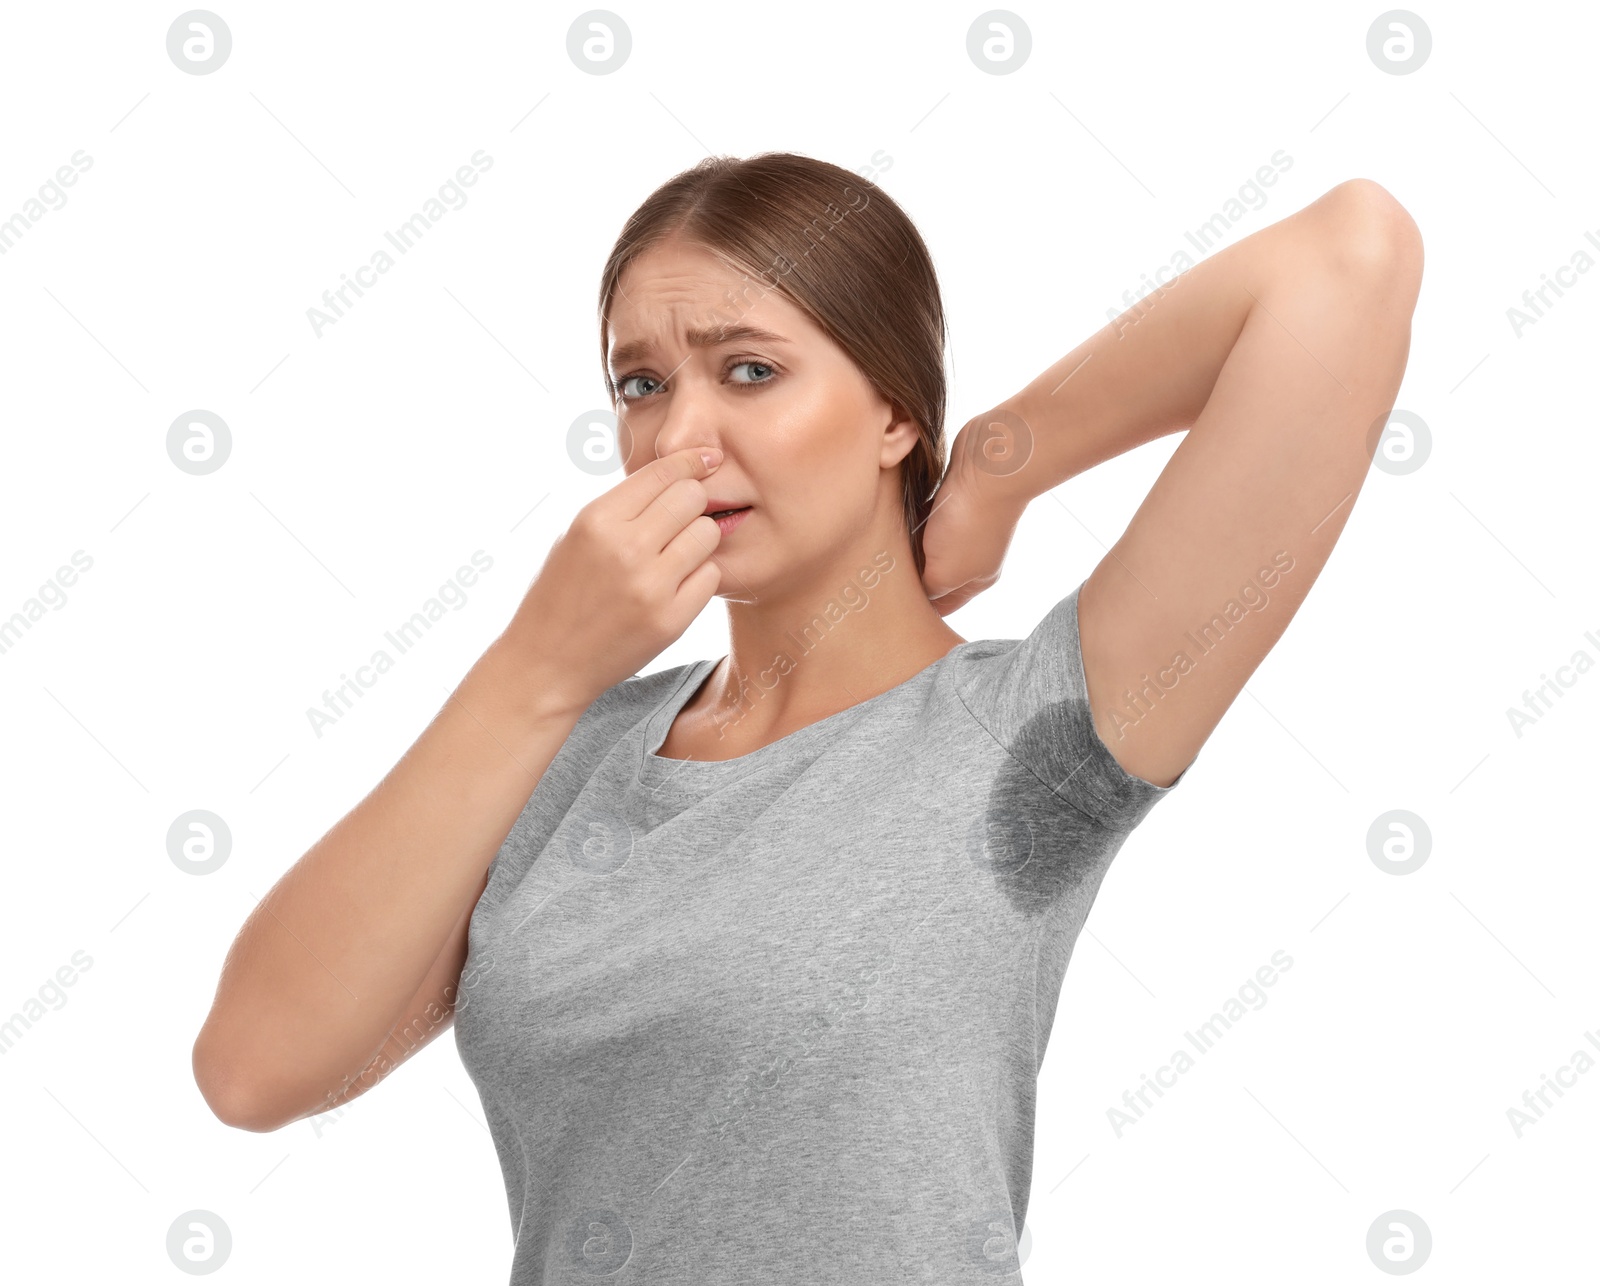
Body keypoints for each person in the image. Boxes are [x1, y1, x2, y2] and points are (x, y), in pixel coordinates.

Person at [192, 152, 1422, 1283]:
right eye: (639, 383)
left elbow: (1348, 256)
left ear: (894, 412)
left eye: (749, 370)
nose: (677, 436)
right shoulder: (562, 745)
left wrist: (1003, 456)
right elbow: (256, 1068)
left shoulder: (1025, 737)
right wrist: (535, 669)